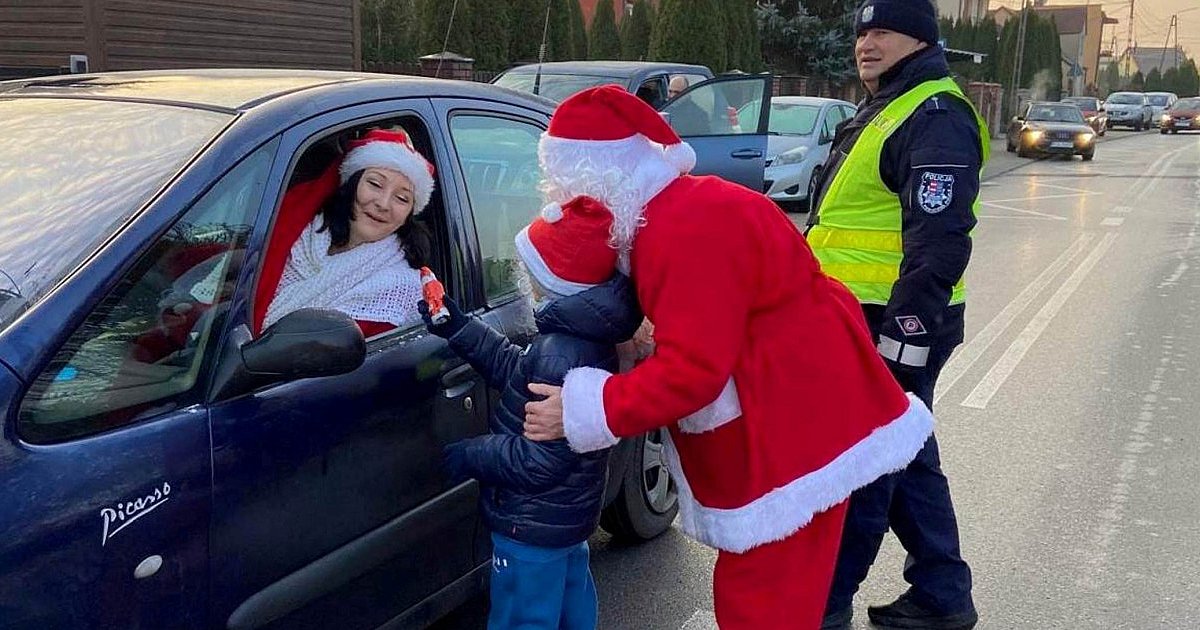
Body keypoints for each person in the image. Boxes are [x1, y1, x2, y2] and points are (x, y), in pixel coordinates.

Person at [521, 84, 936, 630]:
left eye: (575, 197)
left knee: (762, 603)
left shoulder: (679, 230)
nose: (577, 212)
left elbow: (692, 371)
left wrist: (583, 408)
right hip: (801, 407)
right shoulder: (677, 209)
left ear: (600, 182)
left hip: (791, 428)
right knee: (778, 595)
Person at [805, 2, 987, 628]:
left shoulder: (935, 114)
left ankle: (828, 604)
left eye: (882, 31)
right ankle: (942, 593)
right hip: (855, 317)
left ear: (920, 40)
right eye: (861, 32)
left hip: (895, 321)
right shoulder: (887, 106)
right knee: (906, 454)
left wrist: (903, 341)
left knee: (867, 466)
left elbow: (939, 244)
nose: (866, 43)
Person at [420, 196, 643, 630]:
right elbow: (517, 371)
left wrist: (472, 454)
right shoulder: (582, 338)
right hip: (563, 521)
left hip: (531, 524)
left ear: (553, 281)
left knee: (523, 617)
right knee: (571, 611)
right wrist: (458, 326)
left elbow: (539, 460)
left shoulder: (561, 351)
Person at [254, 128, 437, 336]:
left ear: (409, 214)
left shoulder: (401, 288)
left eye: (402, 198)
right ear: (351, 184)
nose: (383, 204)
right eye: (375, 184)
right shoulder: (293, 235)